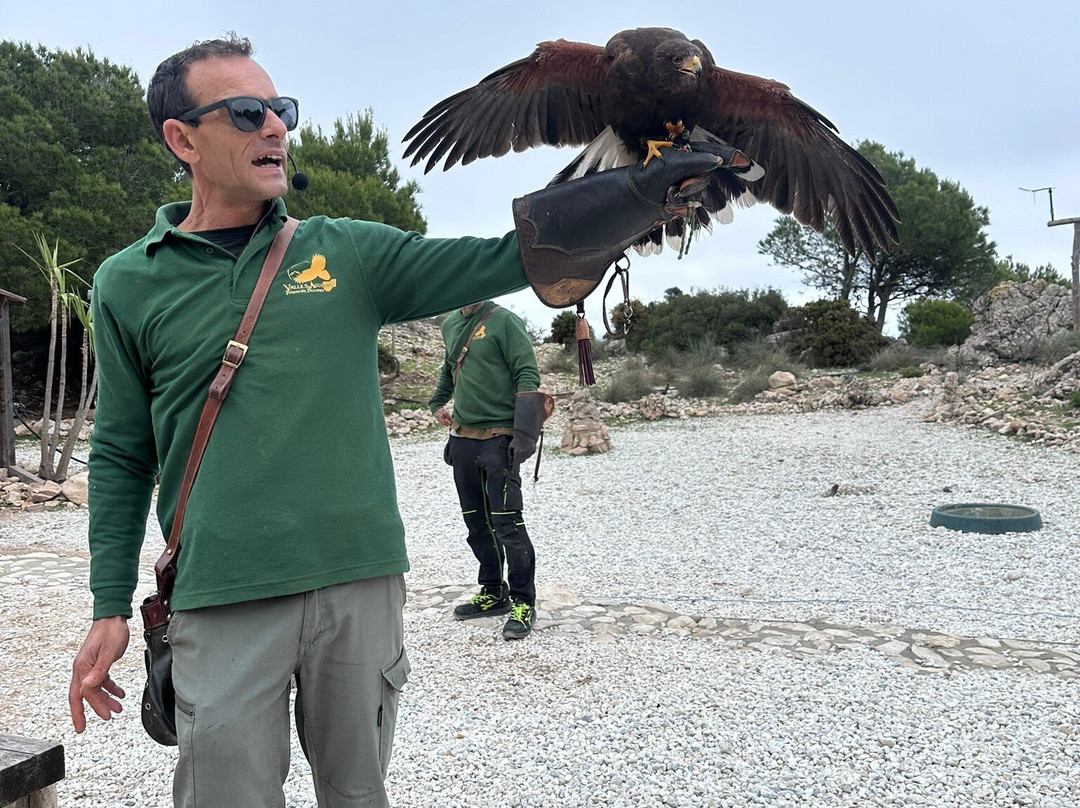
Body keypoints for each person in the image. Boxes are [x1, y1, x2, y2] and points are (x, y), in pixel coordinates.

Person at [65, 32, 732, 808]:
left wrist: (635, 195)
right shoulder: (126, 282)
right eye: (247, 112)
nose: (275, 127)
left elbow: (507, 257)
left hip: (360, 585)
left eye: (281, 109)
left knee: (358, 797)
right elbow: (119, 454)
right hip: (220, 594)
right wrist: (109, 605)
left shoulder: (347, 253)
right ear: (181, 138)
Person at [429, 301, 547, 640]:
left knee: (507, 523)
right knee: (475, 523)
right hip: (463, 437)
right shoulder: (450, 323)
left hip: (499, 437)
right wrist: (438, 403)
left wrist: (525, 433)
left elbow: (527, 373)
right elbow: (448, 367)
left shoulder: (506, 322)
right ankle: (494, 592)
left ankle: (524, 602)